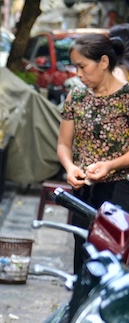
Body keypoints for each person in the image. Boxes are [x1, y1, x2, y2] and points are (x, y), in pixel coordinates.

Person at [58, 33, 129, 275]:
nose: (78, 74)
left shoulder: (127, 98)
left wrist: (111, 165)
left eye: (82, 66)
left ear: (103, 62)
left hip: (119, 189)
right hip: (83, 190)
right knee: (82, 252)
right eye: (75, 67)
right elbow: (64, 145)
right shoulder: (76, 97)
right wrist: (70, 168)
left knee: (112, 258)